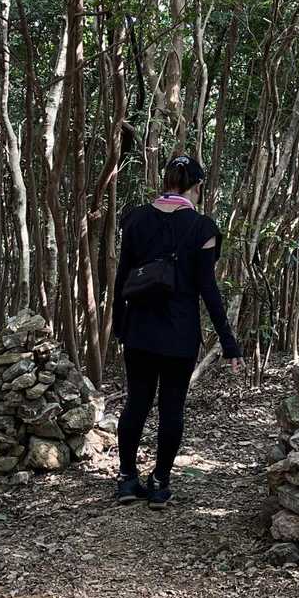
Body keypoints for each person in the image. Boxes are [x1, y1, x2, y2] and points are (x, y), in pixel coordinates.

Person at [111, 154, 242, 508]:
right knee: (172, 408)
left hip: (139, 331)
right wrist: (228, 343)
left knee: (136, 403)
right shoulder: (202, 228)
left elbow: (122, 279)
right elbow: (208, 290)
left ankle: (126, 479)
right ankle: (160, 483)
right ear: (197, 186)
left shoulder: (135, 219)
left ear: (166, 180)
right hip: (179, 335)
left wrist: (119, 327)